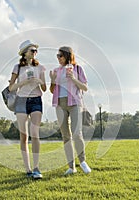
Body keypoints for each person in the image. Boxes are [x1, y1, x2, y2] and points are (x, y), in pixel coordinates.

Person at [49, 46, 91, 175]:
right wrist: (52, 81)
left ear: (67, 56)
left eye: (60, 56)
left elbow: (85, 88)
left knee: (77, 133)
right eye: (57, 56)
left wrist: (73, 78)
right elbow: (52, 91)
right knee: (66, 136)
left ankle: (83, 161)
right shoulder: (56, 70)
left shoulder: (78, 69)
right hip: (60, 104)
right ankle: (71, 167)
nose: (58, 58)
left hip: (74, 103)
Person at [9, 40, 46, 179]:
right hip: (21, 101)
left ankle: (36, 168)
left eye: (36, 51)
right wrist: (24, 82)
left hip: (36, 100)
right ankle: (28, 169)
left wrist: (39, 81)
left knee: (35, 133)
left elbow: (44, 89)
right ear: (24, 53)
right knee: (24, 136)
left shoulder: (41, 67)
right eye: (32, 50)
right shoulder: (17, 67)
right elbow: (11, 87)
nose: (34, 53)